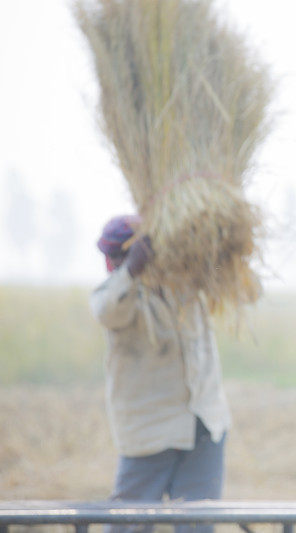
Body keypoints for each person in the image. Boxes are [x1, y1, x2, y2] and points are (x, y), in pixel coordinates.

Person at [90, 215, 232, 533]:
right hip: (149, 433)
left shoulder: (187, 283)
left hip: (205, 424)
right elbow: (106, 310)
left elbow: (233, 281)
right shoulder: (117, 294)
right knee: (130, 525)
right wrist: (131, 270)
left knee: (198, 526)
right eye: (111, 257)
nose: (111, 263)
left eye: (118, 256)